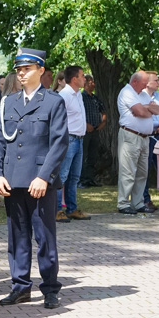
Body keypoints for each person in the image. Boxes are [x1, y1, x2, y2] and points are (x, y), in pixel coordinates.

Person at [0, 48, 68, 309]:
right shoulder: (8, 102)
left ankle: (49, 288)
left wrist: (44, 177)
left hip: (38, 181)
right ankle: (20, 286)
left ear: (41, 71)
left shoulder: (53, 101)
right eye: (19, 69)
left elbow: (59, 143)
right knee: (17, 236)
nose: (21, 73)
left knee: (44, 237)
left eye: (27, 69)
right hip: (13, 179)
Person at [116, 71, 159, 214]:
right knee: (128, 171)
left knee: (142, 172)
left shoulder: (142, 95)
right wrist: (147, 109)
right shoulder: (127, 92)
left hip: (144, 138)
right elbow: (140, 112)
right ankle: (123, 203)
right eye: (144, 82)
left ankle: (138, 202)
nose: (146, 85)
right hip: (130, 136)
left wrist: (145, 108)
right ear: (135, 81)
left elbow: (158, 110)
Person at [56, 65, 90, 222]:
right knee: (61, 176)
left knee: (74, 177)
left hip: (79, 139)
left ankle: (71, 208)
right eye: (82, 76)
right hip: (69, 138)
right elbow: (58, 120)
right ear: (74, 79)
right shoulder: (64, 95)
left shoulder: (78, 95)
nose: (85, 79)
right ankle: (56, 210)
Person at [142, 72, 159, 207]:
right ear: (147, 82)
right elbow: (142, 117)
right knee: (144, 168)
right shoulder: (140, 96)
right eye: (156, 80)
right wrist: (157, 124)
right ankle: (145, 198)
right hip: (147, 135)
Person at [80, 75, 106, 187]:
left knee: (93, 156)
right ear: (85, 83)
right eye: (91, 82)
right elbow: (77, 114)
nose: (93, 84)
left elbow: (103, 111)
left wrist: (103, 122)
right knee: (83, 156)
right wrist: (85, 125)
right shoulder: (81, 97)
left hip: (95, 131)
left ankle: (90, 178)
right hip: (85, 131)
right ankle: (81, 180)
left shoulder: (96, 98)